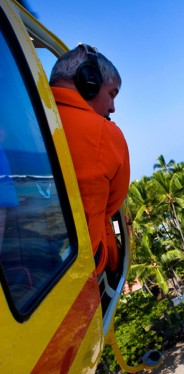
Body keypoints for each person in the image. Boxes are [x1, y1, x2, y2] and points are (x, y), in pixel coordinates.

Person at [49, 44, 130, 275]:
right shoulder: (105, 134)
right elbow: (113, 203)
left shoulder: (28, 115)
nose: (112, 107)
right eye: (112, 94)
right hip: (86, 268)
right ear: (89, 82)